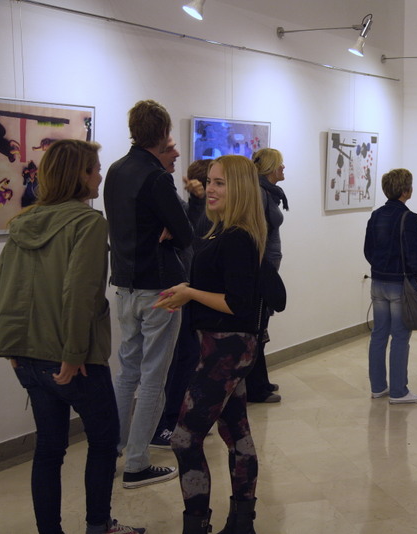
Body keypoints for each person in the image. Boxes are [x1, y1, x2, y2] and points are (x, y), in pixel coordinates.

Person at [0, 140, 144, 534]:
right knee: (104, 442)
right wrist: (73, 355)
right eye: (96, 169)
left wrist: (10, 346)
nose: (100, 175)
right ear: (80, 175)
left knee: (49, 448)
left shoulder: (23, 223)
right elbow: (81, 294)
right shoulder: (88, 223)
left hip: (28, 358)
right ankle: (98, 526)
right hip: (75, 360)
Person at [155, 155, 267, 534]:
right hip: (220, 347)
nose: (211, 189)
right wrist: (187, 290)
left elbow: (237, 303)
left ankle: (197, 525)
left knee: (185, 439)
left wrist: (189, 293)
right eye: (210, 182)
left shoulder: (237, 238)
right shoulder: (222, 232)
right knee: (236, 433)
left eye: (220, 183)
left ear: (240, 189)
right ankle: (241, 523)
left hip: (227, 350)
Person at [104, 100, 193, 489]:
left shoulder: (115, 170)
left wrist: (167, 228)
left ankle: (111, 452)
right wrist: (171, 230)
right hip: (159, 289)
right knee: (154, 376)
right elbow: (186, 233)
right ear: (162, 133)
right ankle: (137, 463)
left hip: (124, 286)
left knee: (127, 373)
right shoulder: (156, 177)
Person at [151, 159, 212, 448]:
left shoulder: (178, 199)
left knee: (186, 357)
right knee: (174, 360)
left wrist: (196, 201)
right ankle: (164, 424)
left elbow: (189, 233)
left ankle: (176, 420)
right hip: (173, 290)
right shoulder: (158, 191)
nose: (176, 153)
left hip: (184, 287)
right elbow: (192, 237)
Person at [364, 168, 417, 404]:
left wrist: (380, 268)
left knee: (379, 334)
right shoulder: (409, 218)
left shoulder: (376, 216)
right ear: (406, 191)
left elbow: (368, 250)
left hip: (378, 282)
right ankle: (399, 392)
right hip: (400, 284)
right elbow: (414, 253)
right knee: (400, 336)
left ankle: (378, 387)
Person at [245, 147, 287, 403]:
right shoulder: (260, 194)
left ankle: (261, 381)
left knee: (262, 327)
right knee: (258, 328)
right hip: (262, 269)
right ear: (271, 168)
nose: (283, 168)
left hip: (267, 266)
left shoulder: (269, 193)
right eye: (280, 164)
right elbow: (256, 233)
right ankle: (255, 388)